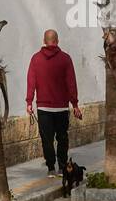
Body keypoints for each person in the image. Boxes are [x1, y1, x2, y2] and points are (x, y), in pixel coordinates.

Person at [26, 29, 82, 176]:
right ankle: (62, 167)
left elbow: (31, 82)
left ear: (44, 41)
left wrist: (29, 102)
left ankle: (51, 168)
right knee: (62, 138)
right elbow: (71, 83)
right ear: (57, 41)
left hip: (43, 108)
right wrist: (75, 104)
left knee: (47, 139)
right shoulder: (65, 59)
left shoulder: (35, 59)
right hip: (62, 107)